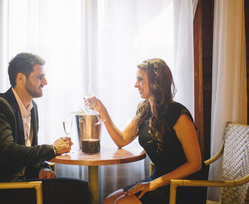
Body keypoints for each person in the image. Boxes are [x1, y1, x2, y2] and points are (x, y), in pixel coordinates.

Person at [0, 52, 90, 204]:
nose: (45, 82)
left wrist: (42, 167)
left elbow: (28, 151)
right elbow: (7, 153)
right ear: (20, 78)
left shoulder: (32, 107)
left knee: (80, 187)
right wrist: (52, 149)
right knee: (77, 191)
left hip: (18, 182)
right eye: (39, 77)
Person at [86, 58, 208, 204]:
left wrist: (154, 184)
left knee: (121, 203)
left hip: (182, 185)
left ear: (156, 82)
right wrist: (102, 111)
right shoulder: (145, 110)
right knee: (109, 201)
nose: (135, 84)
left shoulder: (179, 116)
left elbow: (195, 164)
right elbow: (122, 140)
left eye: (140, 79)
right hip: (158, 179)